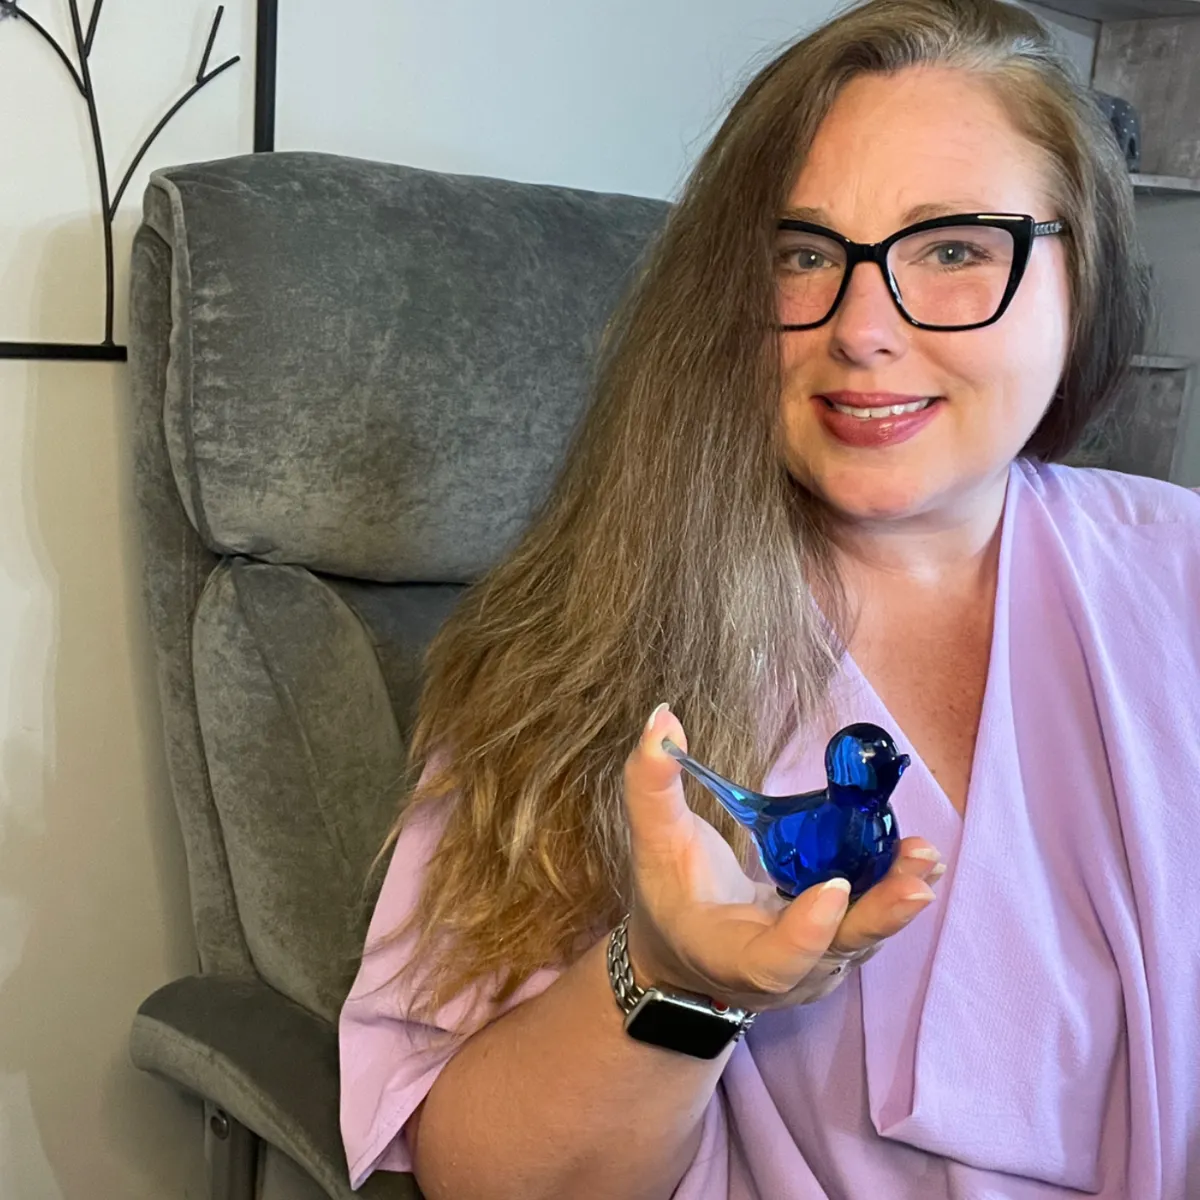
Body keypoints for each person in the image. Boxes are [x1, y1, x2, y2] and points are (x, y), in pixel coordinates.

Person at [339, 0, 1200, 1196]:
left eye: (954, 248)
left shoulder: (1181, 574)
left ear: (1082, 268)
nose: (862, 331)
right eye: (800, 254)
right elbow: (479, 1174)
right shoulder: (571, 647)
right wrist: (679, 984)